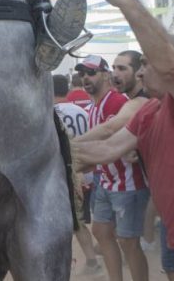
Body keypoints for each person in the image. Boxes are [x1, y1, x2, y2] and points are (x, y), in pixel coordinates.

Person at [68, 0, 174, 280]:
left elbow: (170, 68)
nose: (142, 72)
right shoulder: (148, 111)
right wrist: (42, 154)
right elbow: (105, 150)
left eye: (146, 63)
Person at [74, 54, 149, 281]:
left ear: (105, 75)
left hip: (127, 182)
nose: (85, 78)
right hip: (106, 180)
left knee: (128, 241)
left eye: (91, 72)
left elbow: (110, 135)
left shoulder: (116, 102)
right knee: (102, 232)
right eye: (82, 74)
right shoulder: (94, 106)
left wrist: (69, 150)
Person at [53, 74, 101, 275]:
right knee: (79, 220)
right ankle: (91, 260)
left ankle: (69, 264)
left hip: (64, 173)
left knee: (66, 222)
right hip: (86, 167)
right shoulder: (81, 110)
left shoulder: (52, 112)